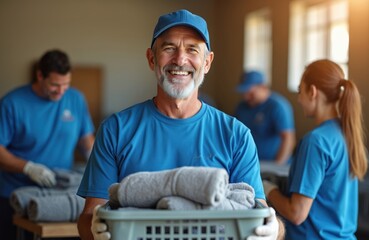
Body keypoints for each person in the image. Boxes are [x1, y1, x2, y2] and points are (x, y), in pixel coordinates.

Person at [77, 9, 283, 240]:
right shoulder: (115, 130)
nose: (180, 59)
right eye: (169, 48)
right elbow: (88, 218)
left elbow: (260, 216)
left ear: (207, 62)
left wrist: (274, 230)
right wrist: (94, 230)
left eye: (192, 49)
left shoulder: (236, 135)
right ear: (151, 58)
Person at [263, 59, 368, 239]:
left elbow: (297, 213)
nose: (299, 99)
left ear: (312, 92)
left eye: (300, 91)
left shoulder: (316, 141)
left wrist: (268, 189)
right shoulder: (346, 134)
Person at [0, 49, 95, 239]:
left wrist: (97, 165)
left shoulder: (75, 98)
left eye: (65, 85)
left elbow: (86, 142)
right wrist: (28, 168)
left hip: (57, 195)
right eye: (54, 85)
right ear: (40, 76)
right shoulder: (12, 103)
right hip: (15, 196)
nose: (61, 91)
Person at [235, 71, 296, 164]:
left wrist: (277, 166)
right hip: (249, 164)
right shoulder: (241, 107)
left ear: (263, 87)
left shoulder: (277, 106)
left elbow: (288, 139)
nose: (246, 97)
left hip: (271, 165)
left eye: (251, 93)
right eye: (244, 93)